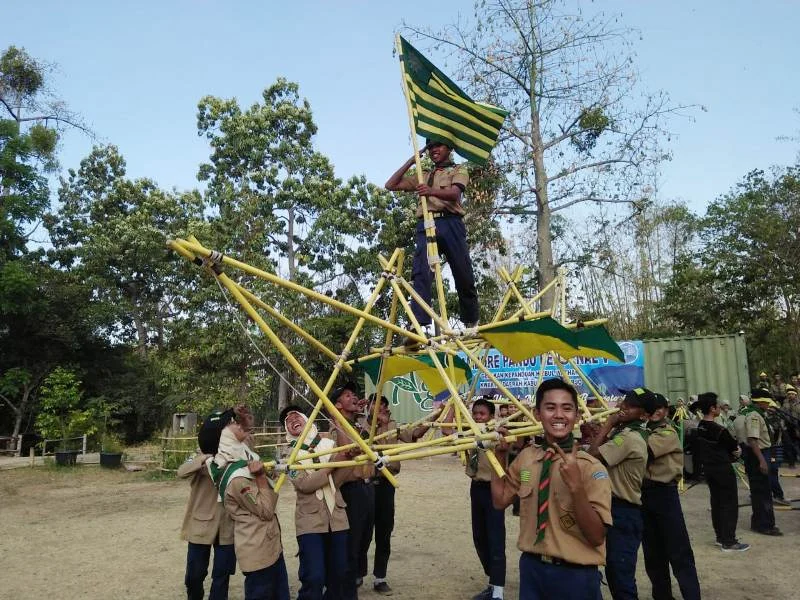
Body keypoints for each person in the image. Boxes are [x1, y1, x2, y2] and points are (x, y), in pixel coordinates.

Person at [491, 378, 612, 600]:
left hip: (575, 576)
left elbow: (596, 536)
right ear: (537, 414)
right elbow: (499, 501)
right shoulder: (527, 458)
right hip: (532, 571)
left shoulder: (589, 468)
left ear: (577, 416)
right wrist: (498, 455)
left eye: (567, 409)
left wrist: (576, 487)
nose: (558, 415)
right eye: (550, 407)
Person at [384, 140, 479, 331]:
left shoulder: (458, 170)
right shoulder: (423, 175)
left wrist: (430, 191)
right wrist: (411, 162)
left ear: (449, 149)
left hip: (451, 223)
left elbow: (454, 194)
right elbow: (390, 185)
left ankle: (471, 320)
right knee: (421, 273)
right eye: (430, 147)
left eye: (439, 146)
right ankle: (419, 324)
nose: (434, 150)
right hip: (427, 224)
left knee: (462, 272)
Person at [360, 395, 436, 596]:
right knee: (363, 531)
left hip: (386, 484)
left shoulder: (394, 425)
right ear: (368, 407)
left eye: (383, 407)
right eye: (376, 406)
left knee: (384, 531)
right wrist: (373, 424)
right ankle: (358, 573)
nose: (381, 410)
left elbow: (415, 434)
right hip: (365, 485)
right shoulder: (360, 424)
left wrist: (436, 415)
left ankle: (380, 577)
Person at [588, 388, 655, 600]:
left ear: (644, 415)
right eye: (625, 401)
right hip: (615, 509)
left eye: (632, 405)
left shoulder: (629, 438)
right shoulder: (624, 434)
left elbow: (592, 456)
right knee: (615, 571)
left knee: (620, 575)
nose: (624, 406)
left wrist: (608, 424)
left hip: (622, 512)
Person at [212, 417, 289, 600]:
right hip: (257, 552)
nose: (239, 425)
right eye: (233, 424)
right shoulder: (236, 477)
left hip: (271, 546)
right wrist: (262, 477)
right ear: (225, 434)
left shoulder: (244, 458)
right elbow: (266, 510)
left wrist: (245, 422)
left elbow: (247, 435)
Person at [280, 405, 352, 600]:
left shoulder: (328, 444)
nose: (292, 419)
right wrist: (331, 466)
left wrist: (343, 454)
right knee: (314, 576)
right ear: (287, 430)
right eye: (288, 421)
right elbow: (305, 484)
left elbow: (341, 476)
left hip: (336, 516)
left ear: (307, 419)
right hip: (309, 521)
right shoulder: (289, 455)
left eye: (296, 416)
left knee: (339, 573)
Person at [640, 393, 702, 599]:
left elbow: (641, 452)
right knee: (653, 552)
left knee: (679, 551)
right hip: (644, 494)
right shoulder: (643, 431)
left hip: (664, 494)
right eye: (652, 408)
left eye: (661, 408)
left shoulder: (667, 433)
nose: (657, 411)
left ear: (666, 411)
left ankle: (691, 595)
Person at [178, 409, 237, 600]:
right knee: (194, 575)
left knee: (222, 575)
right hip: (200, 524)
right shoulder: (199, 458)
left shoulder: (237, 455)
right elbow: (181, 471)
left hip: (228, 525)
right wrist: (205, 458)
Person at [330, 381, 376, 599]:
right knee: (352, 542)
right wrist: (338, 418)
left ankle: (354, 579)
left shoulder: (359, 424)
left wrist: (364, 414)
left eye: (354, 395)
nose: (354, 398)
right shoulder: (335, 426)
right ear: (338, 405)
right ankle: (345, 589)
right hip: (351, 489)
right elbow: (344, 452)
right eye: (348, 396)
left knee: (366, 537)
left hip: (367, 487)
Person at [691, 393, 749, 552]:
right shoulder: (719, 430)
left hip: (709, 470)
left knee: (716, 502)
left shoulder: (700, 426)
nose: (719, 408)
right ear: (712, 409)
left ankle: (720, 536)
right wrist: (736, 451)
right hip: (722, 469)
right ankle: (729, 541)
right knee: (729, 504)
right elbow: (734, 448)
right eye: (717, 406)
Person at [462, 397, 506, 600]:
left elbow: (516, 442)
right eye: (475, 414)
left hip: (493, 488)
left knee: (495, 537)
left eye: (482, 414)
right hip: (476, 487)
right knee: (479, 536)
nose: (478, 417)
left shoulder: (497, 433)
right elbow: (447, 433)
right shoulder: (471, 432)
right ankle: (493, 578)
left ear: (491, 416)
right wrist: (449, 409)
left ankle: (498, 590)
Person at [734, 389, 783, 536]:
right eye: (767, 403)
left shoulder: (747, 413)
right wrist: (762, 461)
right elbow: (752, 439)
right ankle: (765, 525)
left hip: (755, 454)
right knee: (763, 491)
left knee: (757, 491)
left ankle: (758, 522)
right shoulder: (754, 415)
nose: (768, 406)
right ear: (761, 402)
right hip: (759, 454)